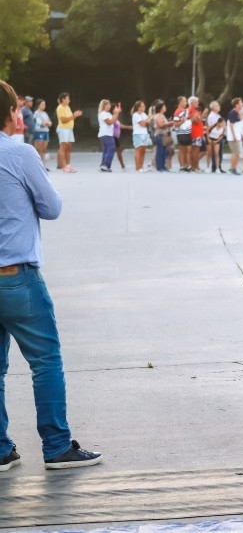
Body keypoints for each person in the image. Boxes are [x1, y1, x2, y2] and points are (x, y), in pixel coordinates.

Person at [0, 80, 103, 472]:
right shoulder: (20, 153)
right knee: (45, 362)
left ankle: (0, 449)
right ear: (11, 113)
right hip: (17, 277)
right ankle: (57, 447)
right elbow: (52, 206)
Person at [55, 92, 82, 173]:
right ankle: (63, 166)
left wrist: (75, 116)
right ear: (63, 99)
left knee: (69, 147)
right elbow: (63, 120)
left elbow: (70, 118)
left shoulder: (67, 107)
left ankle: (68, 165)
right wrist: (74, 116)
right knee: (63, 147)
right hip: (63, 129)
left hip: (69, 129)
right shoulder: (60, 108)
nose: (69, 100)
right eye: (67, 99)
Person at [97, 99, 120, 172]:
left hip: (108, 134)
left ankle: (103, 165)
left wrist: (117, 113)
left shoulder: (109, 114)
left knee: (106, 150)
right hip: (105, 134)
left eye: (110, 104)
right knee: (111, 148)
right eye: (108, 104)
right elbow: (109, 122)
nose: (109, 106)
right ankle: (106, 165)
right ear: (104, 106)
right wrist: (116, 113)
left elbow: (114, 120)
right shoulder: (103, 113)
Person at [151, 100, 173, 172]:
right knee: (160, 151)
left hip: (164, 135)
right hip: (160, 135)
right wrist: (170, 123)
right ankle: (160, 166)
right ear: (160, 108)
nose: (165, 108)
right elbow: (161, 125)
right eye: (164, 107)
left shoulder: (162, 116)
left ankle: (163, 166)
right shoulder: (159, 116)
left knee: (164, 151)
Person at [225, 97, 243, 175]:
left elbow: (240, 121)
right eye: (241, 103)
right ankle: (232, 169)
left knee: (237, 153)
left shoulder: (238, 112)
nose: (242, 104)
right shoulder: (233, 113)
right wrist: (234, 135)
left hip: (237, 136)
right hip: (233, 137)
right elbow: (231, 125)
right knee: (235, 153)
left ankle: (233, 167)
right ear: (236, 105)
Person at [131, 101, 151, 172]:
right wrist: (146, 121)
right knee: (138, 150)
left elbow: (148, 122)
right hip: (138, 134)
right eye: (143, 106)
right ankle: (137, 167)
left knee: (143, 151)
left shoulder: (144, 114)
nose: (144, 107)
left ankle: (141, 167)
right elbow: (142, 124)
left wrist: (146, 121)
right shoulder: (135, 115)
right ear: (138, 107)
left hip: (144, 133)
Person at [206, 101, 225, 173]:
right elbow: (212, 127)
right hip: (212, 136)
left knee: (218, 153)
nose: (219, 107)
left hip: (218, 135)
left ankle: (218, 167)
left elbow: (222, 125)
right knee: (210, 153)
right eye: (218, 106)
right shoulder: (211, 116)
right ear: (213, 108)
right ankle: (211, 167)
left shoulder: (218, 116)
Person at [32, 99, 52, 169]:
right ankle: (36, 166)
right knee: (38, 149)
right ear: (38, 105)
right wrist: (46, 123)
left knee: (44, 149)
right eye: (42, 104)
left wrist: (46, 122)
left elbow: (50, 123)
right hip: (39, 132)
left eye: (44, 104)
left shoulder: (45, 113)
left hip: (46, 132)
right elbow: (41, 124)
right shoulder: (36, 113)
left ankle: (43, 166)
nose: (44, 106)